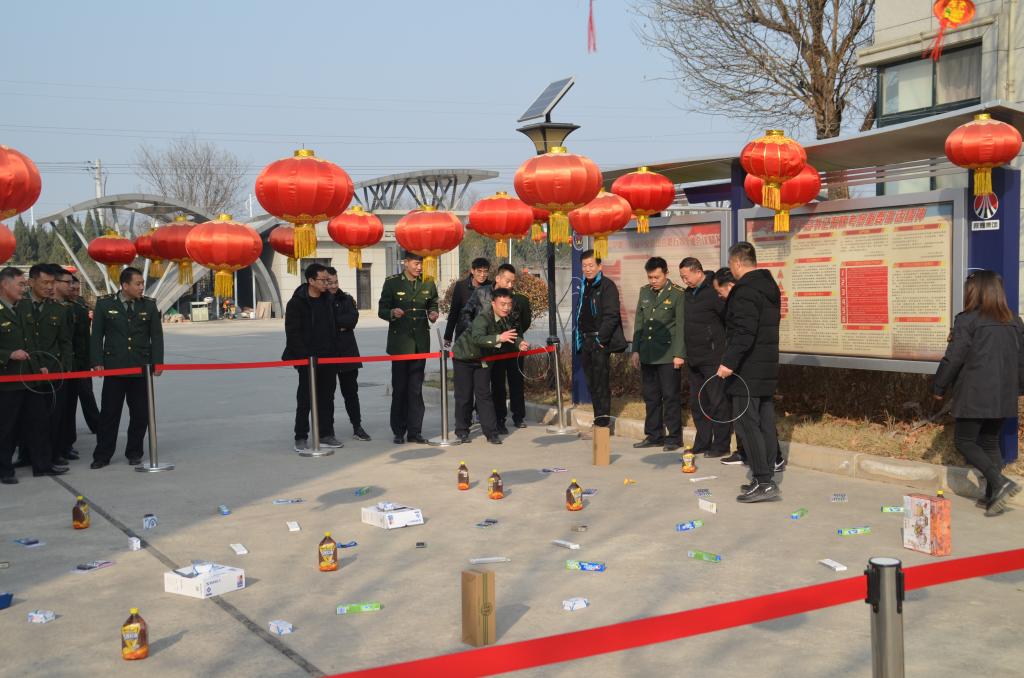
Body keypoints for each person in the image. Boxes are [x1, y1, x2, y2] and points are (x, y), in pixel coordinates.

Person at [933, 270, 1023, 516]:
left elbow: (954, 358)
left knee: (964, 441)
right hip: (1004, 393)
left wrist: (939, 387)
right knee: (989, 441)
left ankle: (1000, 482)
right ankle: (993, 496)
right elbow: (1021, 359)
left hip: (974, 392)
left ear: (976, 292)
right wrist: (1018, 388)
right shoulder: (1014, 320)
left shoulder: (967, 320)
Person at [716, 242, 782, 503]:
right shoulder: (768, 286)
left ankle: (764, 481)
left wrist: (728, 363)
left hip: (747, 368)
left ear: (736, 263)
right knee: (765, 421)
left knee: (747, 423)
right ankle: (764, 476)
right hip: (765, 365)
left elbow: (744, 331)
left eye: (730, 264)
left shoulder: (745, 291)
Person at [90, 267, 163, 469]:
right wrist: (96, 361)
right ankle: (102, 455)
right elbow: (96, 335)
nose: (142, 287)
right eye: (138, 284)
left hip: (141, 368)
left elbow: (156, 336)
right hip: (115, 368)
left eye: (142, 283)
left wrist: (158, 362)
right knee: (109, 414)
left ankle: (134, 452)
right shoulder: (105, 304)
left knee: (140, 414)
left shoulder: (149, 305)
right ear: (125, 285)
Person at [1, 267, 66, 482]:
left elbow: (32, 340)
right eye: (20, 284)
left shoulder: (23, 307)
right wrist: (8, 354)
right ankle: (4, 470)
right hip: (8, 381)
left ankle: (42, 465)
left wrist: (40, 365)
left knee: (39, 422)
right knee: (7, 428)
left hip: (30, 378)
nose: (23, 288)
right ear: (5, 285)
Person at [460, 263, 532, 432]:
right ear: (498, 278)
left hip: (513, 345)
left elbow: (522, 322)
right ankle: (499, 419)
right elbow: (466, 313)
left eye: (513, 282)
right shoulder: (481, 293)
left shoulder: (516, 298)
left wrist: (516, 339)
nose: (510, 285)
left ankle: (518, 416)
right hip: (493, 347)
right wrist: (478, 332)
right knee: (497, 384)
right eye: (507, 281)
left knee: (516, 382)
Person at [282, 263, 344, 452]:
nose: (327, 284)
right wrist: (305, 357)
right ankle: (301, 436)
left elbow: (336, 325)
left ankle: (326, 434)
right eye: (323, 280)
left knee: (327, 398)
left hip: (328, 358)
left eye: (328, 280)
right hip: (307, 360)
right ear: (310, 280)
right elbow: (292, 333)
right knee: (305, 399)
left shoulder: (329, 299)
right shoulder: (297, 303)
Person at [452, 288, 526, 444]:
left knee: (484, 395)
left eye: (509, 304)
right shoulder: (483, 318)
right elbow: (478, 338)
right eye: (502, 304)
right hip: (464, 358)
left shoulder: (505, 318)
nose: (506, 308)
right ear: (493, 303)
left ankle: (491, 433)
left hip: (483, 359)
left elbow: (511, 335)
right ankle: (462, 430)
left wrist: (520, 343)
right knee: (464, 396)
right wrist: (499, 338)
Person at [379, 252, 439, 444]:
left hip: (419, 344)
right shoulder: (392, 283)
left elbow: (433, 303)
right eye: (415, 263)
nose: (419, 267)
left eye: (421, 264)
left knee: (415, 390)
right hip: (400, 345)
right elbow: (382, 309)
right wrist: (392, 312)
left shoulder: (428, 282)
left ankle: (415, 432)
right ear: (405, 263)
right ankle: (398, 431)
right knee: (400, 389)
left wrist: (433, 313)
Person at [630, 257, 685, 452]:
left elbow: (681, 326)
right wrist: (635, 349)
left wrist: (679, 354)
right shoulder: (644, 292)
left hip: (668, 354)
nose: (653, 281)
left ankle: (674, 437)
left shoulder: (678, 294)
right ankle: (654, 435)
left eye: (657, 277)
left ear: (666, 273)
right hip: (648, 353)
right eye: (650, 277)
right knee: (651, 396)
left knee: (670, 396)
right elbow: (639, 322)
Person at [679, 257, 730, 458]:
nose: (685, 281)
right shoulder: (688, 293)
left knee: (717, 401)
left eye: (686, 277)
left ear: (698, 272)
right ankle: (702, 441)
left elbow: (727, 320)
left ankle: (721, 444)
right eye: (682, 278)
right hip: (694, 357)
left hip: (712, 356)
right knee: (698, 402)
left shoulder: (713, 292)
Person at [575, 250, 627, 428]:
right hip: (586, 340)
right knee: (591, 383)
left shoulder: (607, 286)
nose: (587, 269)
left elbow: (611, 316)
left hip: (599, 341)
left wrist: (601, 341)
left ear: (599, 266)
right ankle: (598, 418)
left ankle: (603, 423)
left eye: (591, 265)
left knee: (601, 383)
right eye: (584, 266)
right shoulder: (584, 286)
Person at [325, 267, 370, 441]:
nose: (334, 286)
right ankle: (327, 431)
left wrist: (336, 324)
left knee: (351, 393)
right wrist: (339, 324)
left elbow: (352, 320)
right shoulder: (320, 300)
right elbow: (324, 323)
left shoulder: (346, 299)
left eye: (336, 282)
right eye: (329, 282)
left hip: (347, 352)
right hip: (327, 354)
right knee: (327, 395)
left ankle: (357, 426)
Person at [66, 272, 100, 435]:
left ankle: (96, 425)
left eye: (77, 289)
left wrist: (91, 360)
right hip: (68, 361)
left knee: (87, 394)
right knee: (69, 401)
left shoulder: (80, 304)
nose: (75, 292)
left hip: (82, 361)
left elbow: (87, 337)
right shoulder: (63, 307)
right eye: (72, 289)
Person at [444, 257, 490, 347]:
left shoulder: (491, 286)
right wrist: (448, 336)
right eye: (479, 271)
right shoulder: (461, 286)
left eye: (485, 271)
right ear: (472, 271)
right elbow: (454, 312)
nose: (482, 275)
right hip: (464, 334)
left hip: (484, 335)